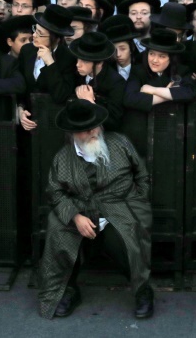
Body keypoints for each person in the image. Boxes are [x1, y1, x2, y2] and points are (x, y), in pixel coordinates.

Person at [38, 100, 154, 320]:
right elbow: (55, 192)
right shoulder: (62, 157)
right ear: (73, 133)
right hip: (80, 209)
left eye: (95, 127)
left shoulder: (120, 143)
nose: (93, 132)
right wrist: (75, 216)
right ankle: (68, 290)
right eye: (85, 129)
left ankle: (143, 290)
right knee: (58, 230)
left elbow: (141, 175)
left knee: (125, 240)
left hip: (121, 206)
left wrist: (139, 202)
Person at [68, 32, 126, 130]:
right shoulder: (77, 73)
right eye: (78, 59)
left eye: (85, 61)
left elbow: (114, 122)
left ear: (99, 63)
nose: (78, 64)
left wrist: (90, 102)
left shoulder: (115, 83)